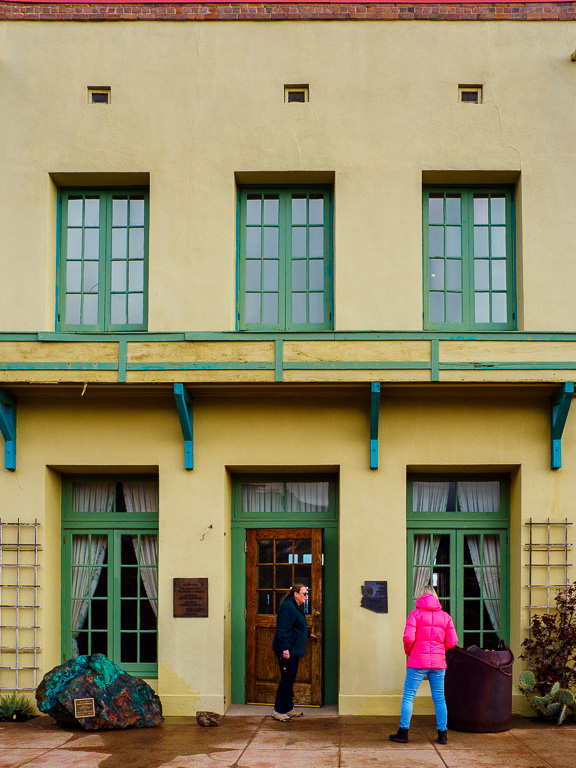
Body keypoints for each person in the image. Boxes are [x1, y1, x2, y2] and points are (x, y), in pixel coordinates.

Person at [389, 585, 458, 745]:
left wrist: (409, 651)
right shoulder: (445, 616)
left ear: (420, 596)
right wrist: (439, 650)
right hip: (439, 663)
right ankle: (442, 734)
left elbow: (408, 638)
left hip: (417, 661)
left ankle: (403, 732)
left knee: (409, 696)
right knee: (439, 698)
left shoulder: (415, 614)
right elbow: (453, 641)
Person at [271, 584, 316, 721]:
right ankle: (279, 710)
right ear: (296, 594)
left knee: (290, 679)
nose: (306, 596)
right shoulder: (288, 607)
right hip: (288, 649)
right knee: (286, 679)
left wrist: (307, 634)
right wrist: (285, 648)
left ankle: (288, 708)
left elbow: (296, 626)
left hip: (293, 649)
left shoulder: (297, 606)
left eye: (307, 594)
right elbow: (283, 629)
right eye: (304, 594)